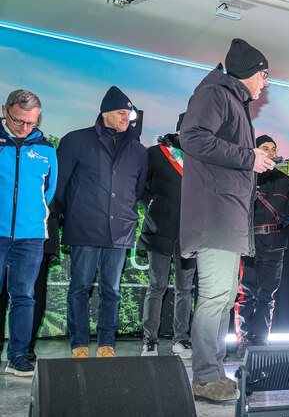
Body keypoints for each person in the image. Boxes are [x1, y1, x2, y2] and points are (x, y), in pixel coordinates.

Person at [180, 38, 272, 403]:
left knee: (224, 297)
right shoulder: (215, 94)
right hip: (215, 215)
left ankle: (213, 372)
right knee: (215, 296)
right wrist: (248, 157)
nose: (266, 82)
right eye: (264, 74)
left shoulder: (232, 99)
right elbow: (192, 137)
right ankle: (205, 377)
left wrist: (249, 158)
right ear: (249, 72)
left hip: (227, 215)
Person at [56, 86, 147, 359]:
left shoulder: (138, 150)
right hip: (84, 227)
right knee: (79, 288)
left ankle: (107, 344)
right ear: (105, 113)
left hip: (120, 230)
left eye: (129, 114)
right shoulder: (75, 140)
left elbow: (137, 190)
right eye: (121, 113)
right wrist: (72, 214)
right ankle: (79, 344)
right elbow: (60, 185)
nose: (126, 118)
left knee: (112, 290)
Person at [0, 90, 56, 376]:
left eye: (31, 123)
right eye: (19, 121)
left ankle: (18, 357)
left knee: (24, 296)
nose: (24, 128)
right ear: (5, 111)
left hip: (31, 236)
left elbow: (50, 190)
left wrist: (32, 218)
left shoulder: (46, 150)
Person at [138, 113, 196, 358]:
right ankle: (149, 341)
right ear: (179, 130)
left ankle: (181, 340)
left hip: (190, 234)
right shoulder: (156, 153)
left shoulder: (201, 158)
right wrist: (152, 204)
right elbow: (139, 185)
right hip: (159, 231)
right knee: (157, 286)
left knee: (185, 290)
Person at [235, 134, 289, 357]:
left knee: (267, 295)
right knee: (246, 294)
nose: (270, 152)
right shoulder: (245, 176)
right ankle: (244, 339)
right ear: (256, 151)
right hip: (248, 243)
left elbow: (287, 215)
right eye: (265, 148)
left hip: (275, 244)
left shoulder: (284, 180)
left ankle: (260, 339)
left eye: (273, 149)